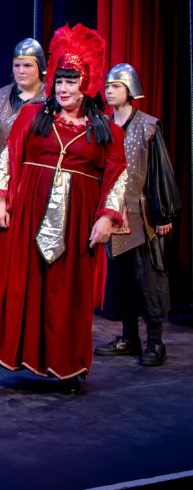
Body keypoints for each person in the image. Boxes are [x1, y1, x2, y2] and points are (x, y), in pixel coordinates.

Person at [0, 23, 128, 393]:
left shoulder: (105, 130)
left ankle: (67, 366)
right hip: (28, 213)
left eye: (71, 82)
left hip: (76, 219)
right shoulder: (33, 117)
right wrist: (1, 200)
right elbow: (9, 157)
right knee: (9, 284)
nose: (63, 89)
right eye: (59, 82)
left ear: (85, 84)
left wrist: (106, 218)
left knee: (67, 291)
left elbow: (118, 175)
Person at [95, 63, 181, 366]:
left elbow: (160, 172)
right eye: (107, 86)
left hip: (142, 216)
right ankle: (128, 338)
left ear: (130, 90)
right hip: (113, 215)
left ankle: (155, 342)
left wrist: (162, 214)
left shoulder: (147, 126)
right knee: (122, 279)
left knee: (149, 279)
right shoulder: (102, 126)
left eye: (116, 86)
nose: (109, 91)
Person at [0, 38, 48, 274]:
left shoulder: (52, 99)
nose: (21, 71)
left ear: (40, 67)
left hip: (37, 182)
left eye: (28, 65)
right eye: (17, 65)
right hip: (1, 184)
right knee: (0, 245)